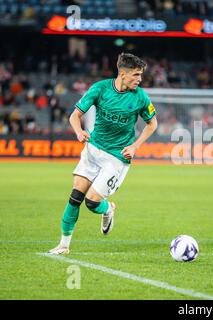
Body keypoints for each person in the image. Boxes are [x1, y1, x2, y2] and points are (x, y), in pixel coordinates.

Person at [49, 53, 158, 254]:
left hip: (117, 157)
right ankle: (63, 245)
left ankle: (108, 209)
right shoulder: (100, 88)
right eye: (136, 75)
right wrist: (79, 131)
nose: (139, 79)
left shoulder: (140, 96)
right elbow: (75, 116)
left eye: (140, 75)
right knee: (75, 196)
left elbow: (153, 124)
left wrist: (135, 146)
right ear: (123, 74)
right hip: (93, 150)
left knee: (92, 202)